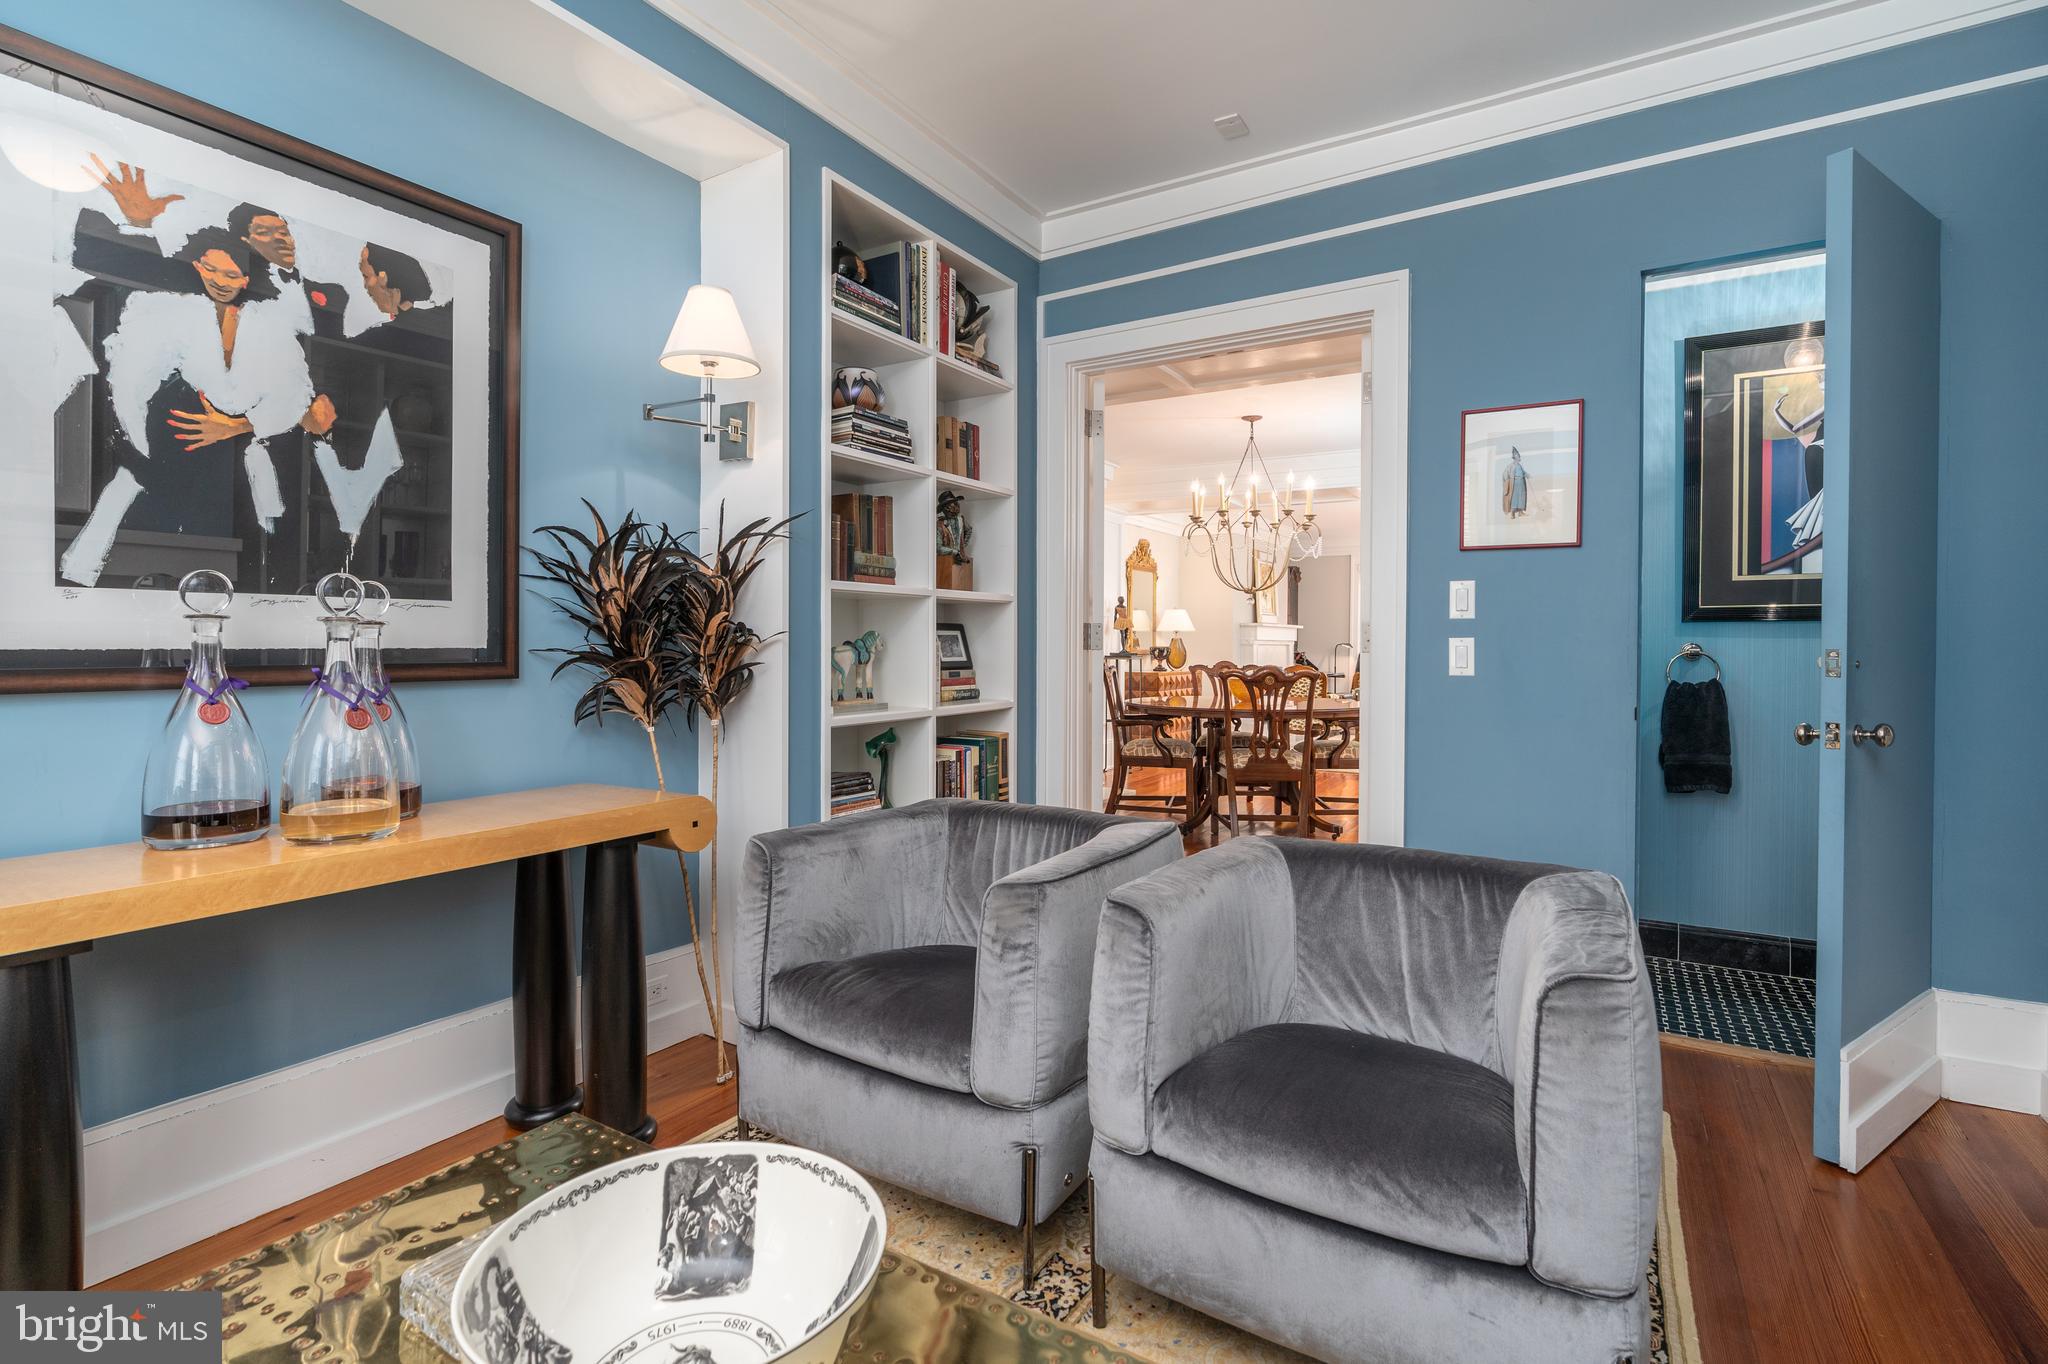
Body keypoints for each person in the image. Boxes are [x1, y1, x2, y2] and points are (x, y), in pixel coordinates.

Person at [59, 229, 324, 587]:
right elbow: (129, 381)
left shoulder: (269, 328)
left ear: (245, 280)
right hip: (159, 458)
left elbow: (294, 398)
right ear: (199, 266)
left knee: (221, 575)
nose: (220, 282)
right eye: (213, 270)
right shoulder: (164, 311)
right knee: (137, 567)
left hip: (227, 475)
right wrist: (142, 454)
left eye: (231, 275)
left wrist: (235, 426)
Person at [1501, 447, 1530, 519]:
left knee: (1521, 497)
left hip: (1521, 483)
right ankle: (1512, 513)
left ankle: (1520, 512)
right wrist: (1507, 481)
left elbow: (1523, 472)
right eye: (1517, 456)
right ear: (1514, 457)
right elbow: (1505, 474)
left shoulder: (1520, 465)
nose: (1519, 457)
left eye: (1519, 456)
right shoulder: (1511, 465)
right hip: (1515, 483)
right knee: (1514, 497)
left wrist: (1526, 474)